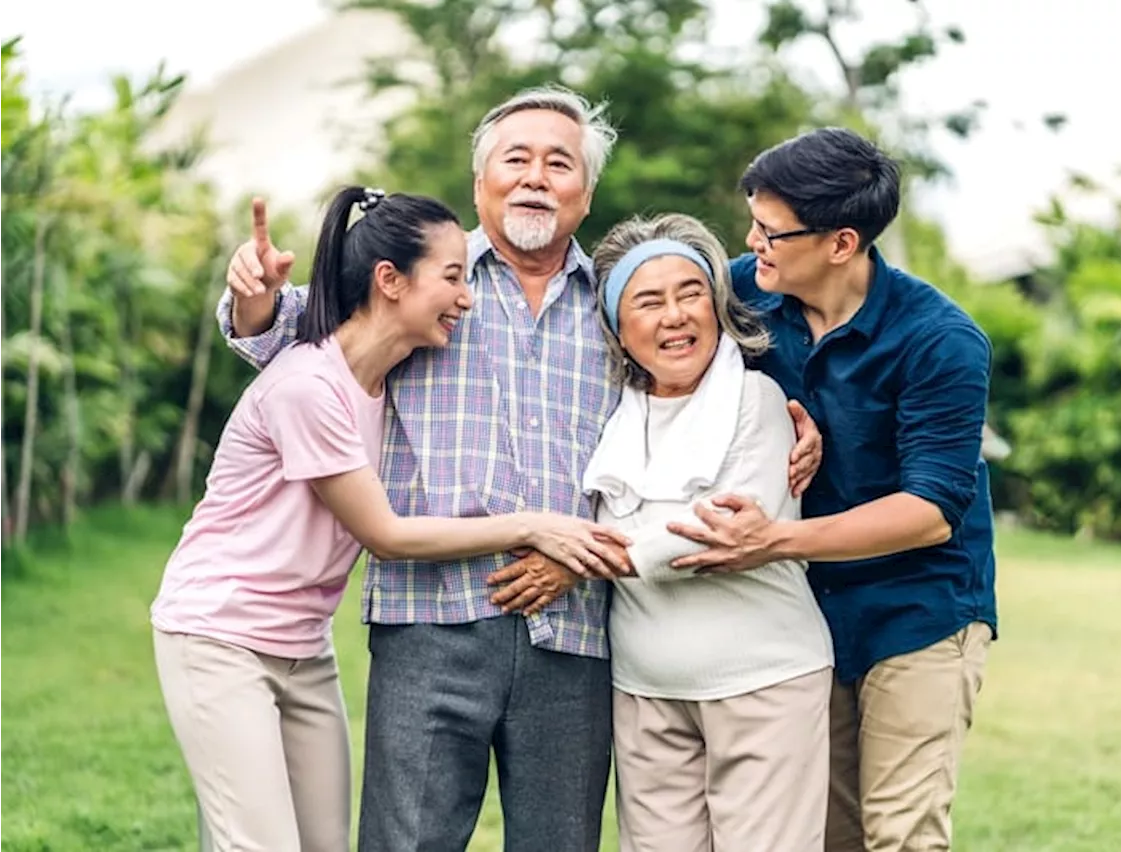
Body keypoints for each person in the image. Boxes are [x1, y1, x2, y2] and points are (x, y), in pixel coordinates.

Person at [216, 87, 824, 852]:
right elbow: (284, 340)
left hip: (574, 634)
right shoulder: (420, 282)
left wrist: (804, 422)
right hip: (428, 619)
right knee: (406, 841)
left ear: (586, 192)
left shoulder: (617, 305)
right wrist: (253, 304)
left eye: (559, 162)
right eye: (517, 159)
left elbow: (705, 377)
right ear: (481, 184)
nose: (537, 176)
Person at [151, 185, 631, 852]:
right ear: (390, 281)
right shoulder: (307, 388)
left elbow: (291, 313)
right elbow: (386, 534)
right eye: (454, 277)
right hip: (221, 636)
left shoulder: (390, 374)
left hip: (302, 646)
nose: (467, 298)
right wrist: (531, 525)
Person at [666, 128, 997, 852]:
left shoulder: (942, 341)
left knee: (901, 834)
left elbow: (932, 512)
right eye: (752, 222)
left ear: (842, 243)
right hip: (805, 614)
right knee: (826, 833)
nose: (752, 243)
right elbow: (664, 359)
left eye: (772, 232)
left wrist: (772, 541)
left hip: (921, 610)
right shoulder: (748, 292)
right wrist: (781, 418)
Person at [578, 213, 834, 851]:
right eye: (649, 300)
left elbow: (710, 534)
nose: (675, 316)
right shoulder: (607, 416)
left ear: (718, 307)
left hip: (764, 682)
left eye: (691, 294)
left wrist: (576, 559)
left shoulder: (757, 400)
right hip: (645, 692)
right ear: (617, 327)